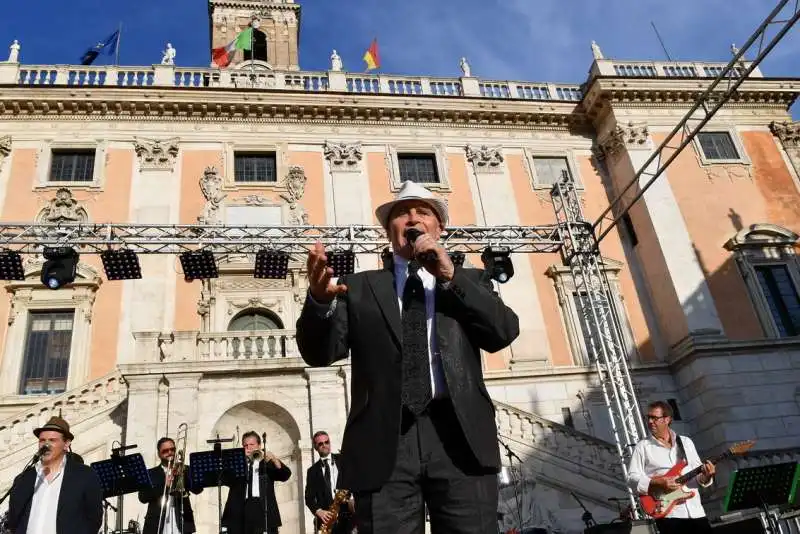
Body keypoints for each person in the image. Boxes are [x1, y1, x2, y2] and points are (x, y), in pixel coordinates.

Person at [297, 180, 520, 533]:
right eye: (402, 214)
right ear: (390, 231)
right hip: (385, 441)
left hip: (460, 437)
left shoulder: (471, 281)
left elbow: (502, 333)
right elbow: (319, 353)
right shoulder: (359, 287)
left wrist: (450, 276)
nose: (413, 219)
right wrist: (320, 303)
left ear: (439, 228)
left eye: (423, 213)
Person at [627, 401, 716, 534]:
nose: (650, 421)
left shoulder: (686, 442)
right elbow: (631, 478)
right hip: (669, 515)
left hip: (696, 512)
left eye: (654, 418)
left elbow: (697, 478)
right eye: (648, 418)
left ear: (667, 419)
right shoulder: (643, 447)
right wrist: (658, 482)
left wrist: (707, 476)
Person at [6, 416, 103, 534]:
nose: (46, 445)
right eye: (42, 440)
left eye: (52, 440)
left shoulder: (85, 475)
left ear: (66, 444)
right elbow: (14, 519)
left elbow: (94, 519)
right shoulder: (24, 478)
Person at [222, 430, 292, 534]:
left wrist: (274, 459)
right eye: (245, 445)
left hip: (263, 509)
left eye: (251, 444)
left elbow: (285, 475)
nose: (248, 448)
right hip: (241, 510)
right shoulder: (238, 464)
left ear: (259, 446)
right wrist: (239, 460)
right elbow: (224, 479)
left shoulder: (266, 462)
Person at [138, 437, 203, 534]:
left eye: (172, 449)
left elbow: (198, 490)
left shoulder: (186, 469)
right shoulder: (151, 473)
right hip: (157, 524)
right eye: (165, 451)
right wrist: (165, 485)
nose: (170, 452)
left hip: (182, 522)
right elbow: (142, 497)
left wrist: (184, 475)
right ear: (159, 454)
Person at [305, 431, 355, 533]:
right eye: (320, 444)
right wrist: (318, 511)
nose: (324, 445)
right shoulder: (312, 471)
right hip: (328, 520)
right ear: (315, 447)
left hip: (348, 515)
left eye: (326, 442)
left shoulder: (343, 459)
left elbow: (355, 480)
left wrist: (353, 500)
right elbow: (308, 498)